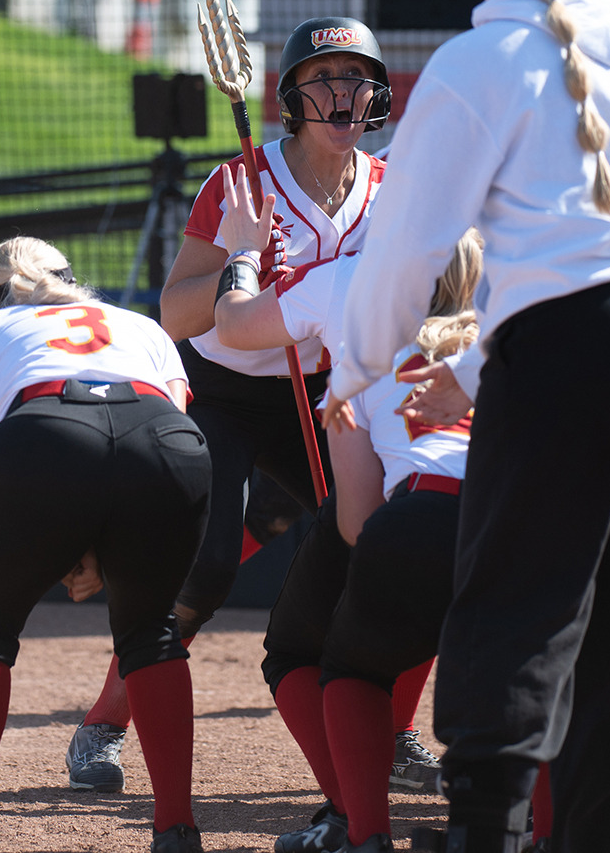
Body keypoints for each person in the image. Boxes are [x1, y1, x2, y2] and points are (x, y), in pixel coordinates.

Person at [327, 0, 610, 853]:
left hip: (584, 342)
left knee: (514, 603)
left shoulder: (478, 60)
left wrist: (354, 369)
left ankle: (485, 837)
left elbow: (409, 246)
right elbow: (599, 240)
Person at [61, 18, 404, 796]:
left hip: (328, 393)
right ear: (290, 97)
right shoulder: (242, 183)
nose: (342, 93)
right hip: (226, 393)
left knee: (389, 548)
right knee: (205, 567)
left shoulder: (390, 189)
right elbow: (173, 313)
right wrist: (241, 268)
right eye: (324, 78)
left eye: (356, 77)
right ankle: (104, 725)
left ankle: (395, 732)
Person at [211, 169, 479, 853]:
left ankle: (357, 827)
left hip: (415, 506)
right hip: (529, 517)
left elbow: (235, 326)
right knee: (540, 670)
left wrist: (243, 252)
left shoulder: (347, 281)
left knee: (326, 660)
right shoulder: (518, 295)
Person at [0, 237, 210, 853]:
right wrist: (98, 539)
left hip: (44, 436)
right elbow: (170, 421)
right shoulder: (140, 326)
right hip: (168, 443)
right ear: (71, 282)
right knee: (151, 632)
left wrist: (56, 533)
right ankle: (177, 830)